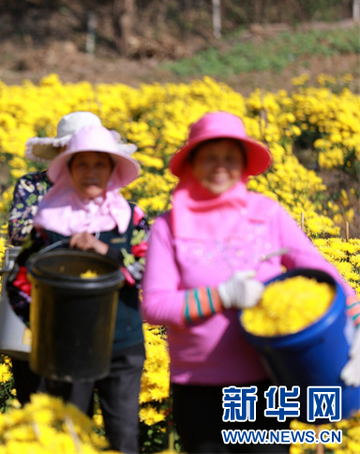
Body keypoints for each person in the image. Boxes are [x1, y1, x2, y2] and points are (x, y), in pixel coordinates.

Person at [141, 111, 360, 453]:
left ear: (243, 164)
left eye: (230, 157)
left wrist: (357, 325)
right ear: (192, 164)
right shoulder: (168, 227)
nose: (220, 166)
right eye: (209, 157)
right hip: (200, 387)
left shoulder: (267, 214)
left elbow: (318, 269)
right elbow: (154, 305)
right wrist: (222, 295)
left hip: (268, 381)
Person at [9, 125, 149, 453]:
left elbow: (151, 272)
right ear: (68, 169)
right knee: (72, 437)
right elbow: (18, 284)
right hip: (68, 350)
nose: (90, 172)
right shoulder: (48, 221)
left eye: (99, 164)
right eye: (81, 164)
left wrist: (107, 254)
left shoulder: (130, 217)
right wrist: (45, 329)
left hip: (122, 346)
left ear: (113, 170)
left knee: (124, 437)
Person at [5, 111, 102, 406]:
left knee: (76, 388)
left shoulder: (104, 188)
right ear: (60, 150)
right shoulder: (32, 186)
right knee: (30, 385)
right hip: (34, 292)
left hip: (84, 295)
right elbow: (18, 232)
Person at [8, 111, 102, 246]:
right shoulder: (34, 184)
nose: (83, 157)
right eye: (74, 148)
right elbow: (18, 233)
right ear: (59, 150)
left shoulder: (106, 186)